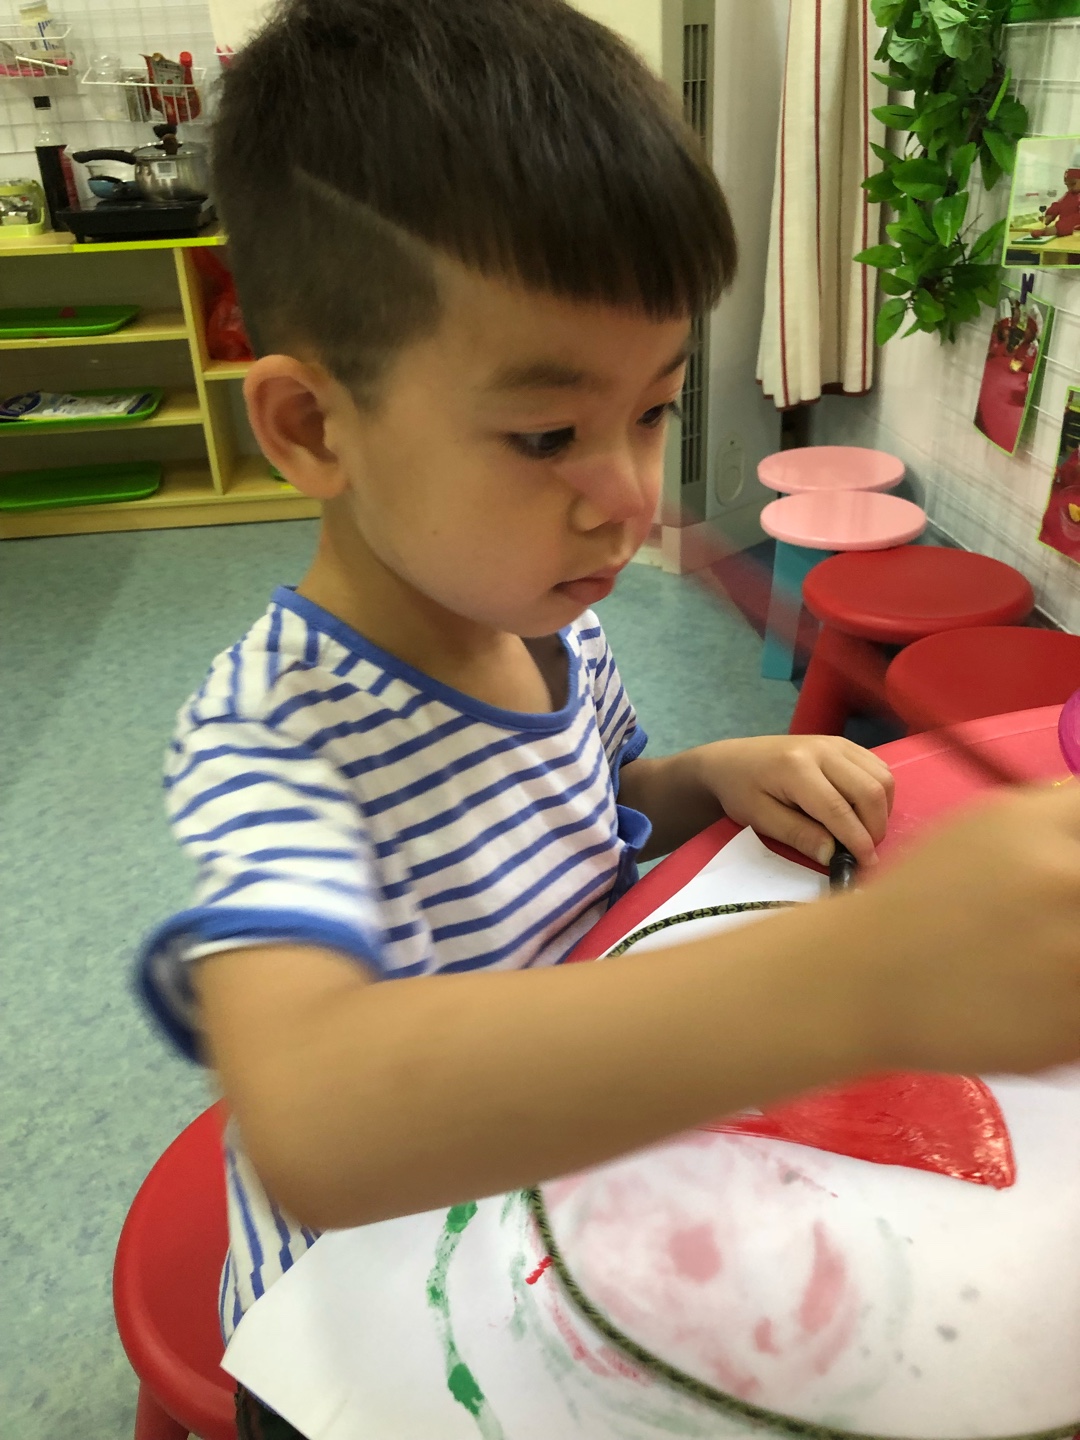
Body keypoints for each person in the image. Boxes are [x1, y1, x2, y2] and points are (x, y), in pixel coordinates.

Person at [138, 2, 1080, 1434]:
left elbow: (600, 803)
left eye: (653, 411)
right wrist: (868, 974)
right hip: (378, 1301)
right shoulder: (276, 739)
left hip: (577, 1163)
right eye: (547, 435)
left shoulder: (546, 615)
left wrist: (716, 774)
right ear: (314, 428)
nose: (631, 497)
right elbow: (318, 1118)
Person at [1033, 167, 1080, 239]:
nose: (1069, 188)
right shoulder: (1070, 194)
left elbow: (1077, 218)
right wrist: (1050, 215)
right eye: (1067, 185)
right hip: (1066, 230)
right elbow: (1059, 205)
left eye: (1073, 184)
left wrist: (1058, 228)